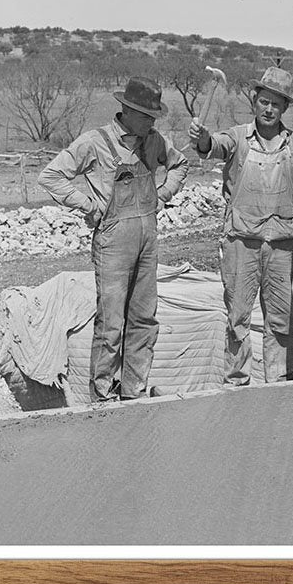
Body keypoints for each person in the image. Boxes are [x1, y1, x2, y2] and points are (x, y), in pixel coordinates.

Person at [37, 76, 188, 403]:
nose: (151, 121)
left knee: (144, 319)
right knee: (111, 324)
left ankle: (133, 393)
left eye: (153, 116)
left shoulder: (154, 141)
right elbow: (50, 175)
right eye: (146, 115)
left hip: (149, 241)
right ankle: (103, 398)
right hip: (113, 243)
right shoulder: (95, 142)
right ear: (127, 110)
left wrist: (163, 195)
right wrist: (87, 204)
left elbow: (179, 164)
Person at [188, 66, 293, 384]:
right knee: (238, 317)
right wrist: (203, 139)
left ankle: (279, 381)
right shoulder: (237, 138)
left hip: (281, 244)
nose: (269, 109)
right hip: (241, 243)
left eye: (276, 104)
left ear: (285, 108)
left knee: (280, 319)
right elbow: (211, 148)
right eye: (264, 102)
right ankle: (237, 381)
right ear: (254, 101)